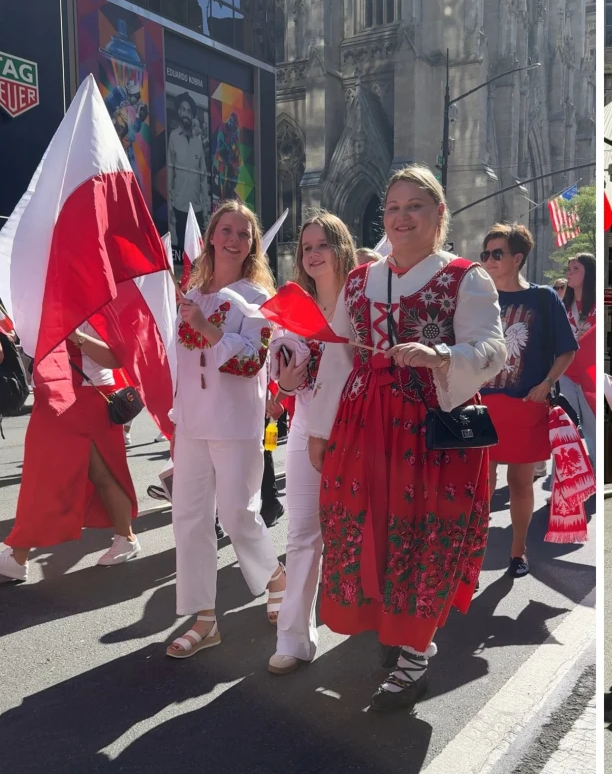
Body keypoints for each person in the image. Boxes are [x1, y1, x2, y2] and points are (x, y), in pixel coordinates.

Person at [305, 165, 505, 711]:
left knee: (425, 532)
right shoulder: (358, 282)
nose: (401, 216)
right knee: (368, 523)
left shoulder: (467, 277)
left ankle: (416, 651)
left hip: (434, 421)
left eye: (415, 205)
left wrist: (442, 355)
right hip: (364, 421)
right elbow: (337, 357)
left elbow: (494, 349)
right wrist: (319, 430)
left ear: (439, 214)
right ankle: (394, 630)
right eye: (392, 207)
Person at [167, 201, 286, 659]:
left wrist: (209, 331)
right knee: (190, 520)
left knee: (239, 515)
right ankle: (203, 619)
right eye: (227, 230)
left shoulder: (256, 298)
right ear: (212, 237)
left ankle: (275, 575)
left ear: (252, 244)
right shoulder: (190, 294)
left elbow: (253, 358)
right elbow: (179, 358)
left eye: (244, 233)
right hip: (192, 423)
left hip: (236, 422)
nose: (234, 239)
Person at [265, 210, 358, 676]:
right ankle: (294, 637)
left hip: (359, 431)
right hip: (305, 431)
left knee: (361, 530)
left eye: (322, 243)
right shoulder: (292, 309)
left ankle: (380, 628)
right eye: (306, 247)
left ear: (341, 247)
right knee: (303, 534)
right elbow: (282, 387)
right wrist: (283, 382)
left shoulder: (362, 299)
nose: (313, 253)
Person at [0, 326, 141, 583]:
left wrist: (73, 333)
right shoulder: (40, 302)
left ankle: (18, 556)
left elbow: (116, 358)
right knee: (93, 475)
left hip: (88, 396)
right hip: (55, 393)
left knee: (59, 476)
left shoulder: (95, 302)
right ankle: (126, 537)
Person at [480, 224, 578, 579]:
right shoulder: (477, 297)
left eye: (497, 253)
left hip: (525, 404)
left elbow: (566, 349)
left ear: (517, 258)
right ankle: (472, 559)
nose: (488, 260)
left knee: (521, 482)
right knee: (481, 485)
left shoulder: (543, 298)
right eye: (485, 253)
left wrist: (547, 384)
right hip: (481, 404)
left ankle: (518, 552)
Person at [559, 253, 596, 452]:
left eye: (576, 269)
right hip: (566, 373)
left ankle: (595, 472)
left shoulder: (599, 305)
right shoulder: (564, 305)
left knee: (592, 430)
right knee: (567, 426)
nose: (569, 273)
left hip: (589, 377)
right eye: (569, 269)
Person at [168, 92, 208, 249]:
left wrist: (205, 209)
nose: (186, 114)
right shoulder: (173, 137)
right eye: (183, 110)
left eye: (189, 111)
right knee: (183, 252)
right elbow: (170, 172)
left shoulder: (198, 142)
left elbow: (203, 176)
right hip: (179, 206)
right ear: (179, 112)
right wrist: (170, 206)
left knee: (198, 255)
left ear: (192, 115)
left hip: (197, 209)